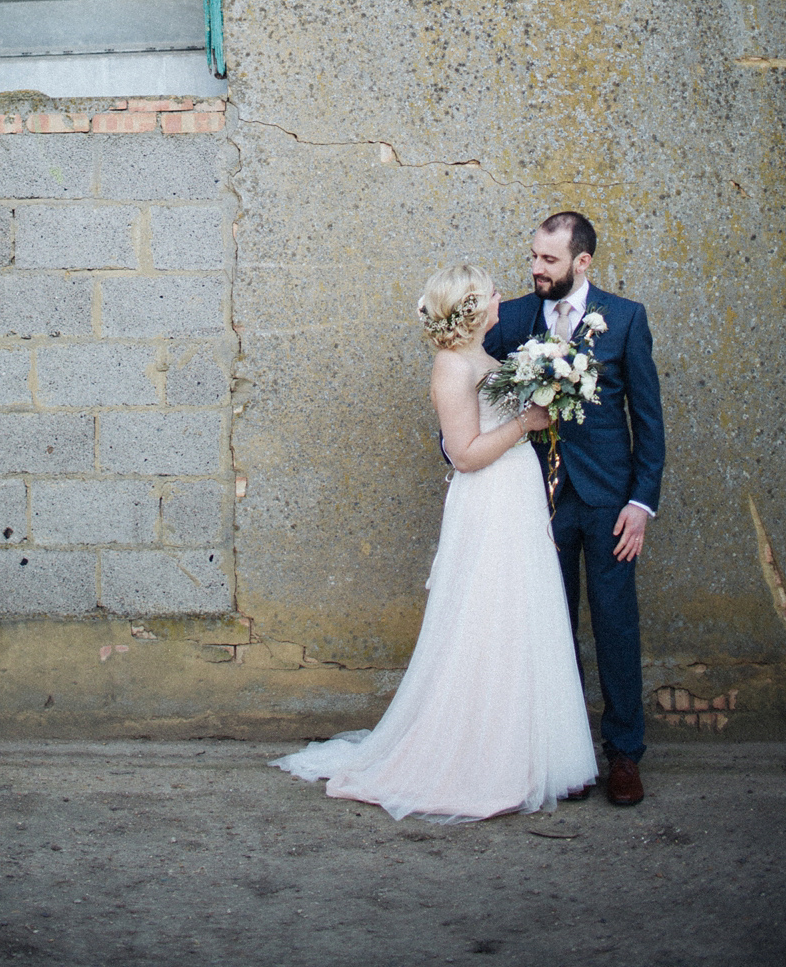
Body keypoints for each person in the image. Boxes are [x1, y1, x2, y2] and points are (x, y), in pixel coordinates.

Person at [272, 263, 597, 822]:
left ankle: (522, 755)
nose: (502, 297)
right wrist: (527, 424)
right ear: (473, 305)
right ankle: (474, 760)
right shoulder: (451, 366)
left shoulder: (488, 357)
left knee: (518, 620)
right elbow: (465, 453)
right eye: (492, 291)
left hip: (515, 501)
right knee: (483, 620)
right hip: (489, 502)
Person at [484, 212, 665, 807]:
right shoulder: (510, 317)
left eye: (549, 260)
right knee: (548, 630)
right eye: (533, 257)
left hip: (610, 505)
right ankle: (562, 755)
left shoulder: (625, 318)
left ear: (582, 263)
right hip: (535, 502)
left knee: (615, 627)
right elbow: (462, 377)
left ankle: (623, 755)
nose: (536, 269)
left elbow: (648, 421)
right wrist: (457, 446)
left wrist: (641, 503)